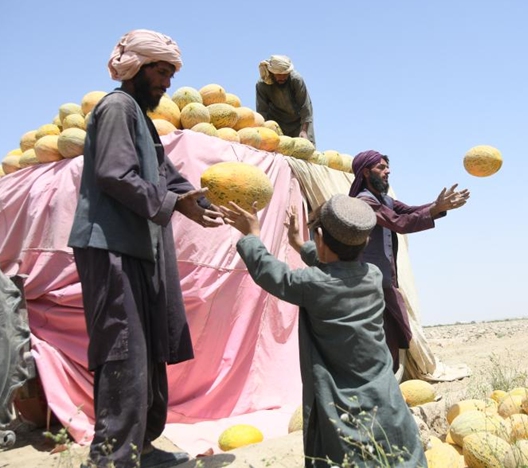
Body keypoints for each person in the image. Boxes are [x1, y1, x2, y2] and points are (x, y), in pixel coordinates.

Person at [68, 29, 224, 468]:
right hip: (111, 246)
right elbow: (115, 174)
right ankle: (112, 457)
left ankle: (142, 446)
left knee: (150, 348)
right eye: (162, 71)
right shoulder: (117, 107)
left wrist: (205, 204)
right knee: (123, 348)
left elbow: (169, 178)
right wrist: (173, 203)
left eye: (171, 73)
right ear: (135, 67)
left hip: (140, 247)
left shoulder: (139, 114)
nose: (168, 82)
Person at [220, 195, 427, 467]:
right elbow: (337, 271)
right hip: (384, 393)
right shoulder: (373, 276)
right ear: (365, 242)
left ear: (319, 236)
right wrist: (301, 245)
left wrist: (251, 236)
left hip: (342, 400)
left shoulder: (310, 284)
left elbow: (269, 272)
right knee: (394, 453)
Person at [349, 150, 469, 375]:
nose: (388, 171)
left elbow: (411, 211)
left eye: (387, 167)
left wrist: (440, 205)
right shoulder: (364, 202)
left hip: (386, 281)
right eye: (381, 168)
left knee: (395, 333)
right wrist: (436, 208)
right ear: (365, 172)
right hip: (368, 284)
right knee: (377, 337)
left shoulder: (385, 200)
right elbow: (400, 223)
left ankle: (390, 385)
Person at [255, 55, 315, 143]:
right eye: (279, 74)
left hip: (298, 123)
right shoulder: (262, 85)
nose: (282, 77)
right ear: (272, 72)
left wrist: (304, 130)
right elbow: (262, 111)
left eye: (285, 74)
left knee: (305, 150)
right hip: (276, 123)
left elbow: (305, 107)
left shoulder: (296, 80)